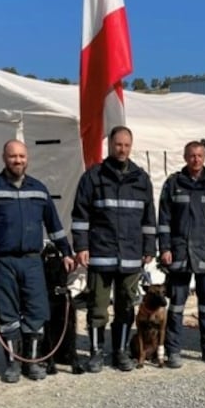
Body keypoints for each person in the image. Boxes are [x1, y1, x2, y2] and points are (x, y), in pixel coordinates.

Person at [0, 139, 74, 383]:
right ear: (4, 157)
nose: (18, 160)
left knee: (36, 311)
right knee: (7, 313)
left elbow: (54, 225)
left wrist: (66, 252)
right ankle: (13, 364)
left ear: (27, 158)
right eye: (13, 156)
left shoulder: (39, 188)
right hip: (1, 260)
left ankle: (33, 362)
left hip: (32, 261)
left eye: (22, 156)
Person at [72, 126, 156, 373]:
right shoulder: (93, 177)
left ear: (131, 146)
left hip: (131, 255)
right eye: (118, 144)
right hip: (100, 253)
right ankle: (96, 353)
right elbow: (80, 215)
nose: (122, 149)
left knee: (126, 307)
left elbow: (149, 218)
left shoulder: (141, 179)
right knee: (97, 308)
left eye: (127, 145)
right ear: (110, 145)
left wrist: (150, 246)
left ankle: (120, 352)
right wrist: (81, 245)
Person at [158, 141, 205, 368]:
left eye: (199, 155)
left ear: (204, 157)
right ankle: (173, 351)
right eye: (191, 156)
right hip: (180, 253)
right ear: (185, 157)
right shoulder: (173, 184)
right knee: (177, 305)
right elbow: (164, 220)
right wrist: (165, 248)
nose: (195, 160)